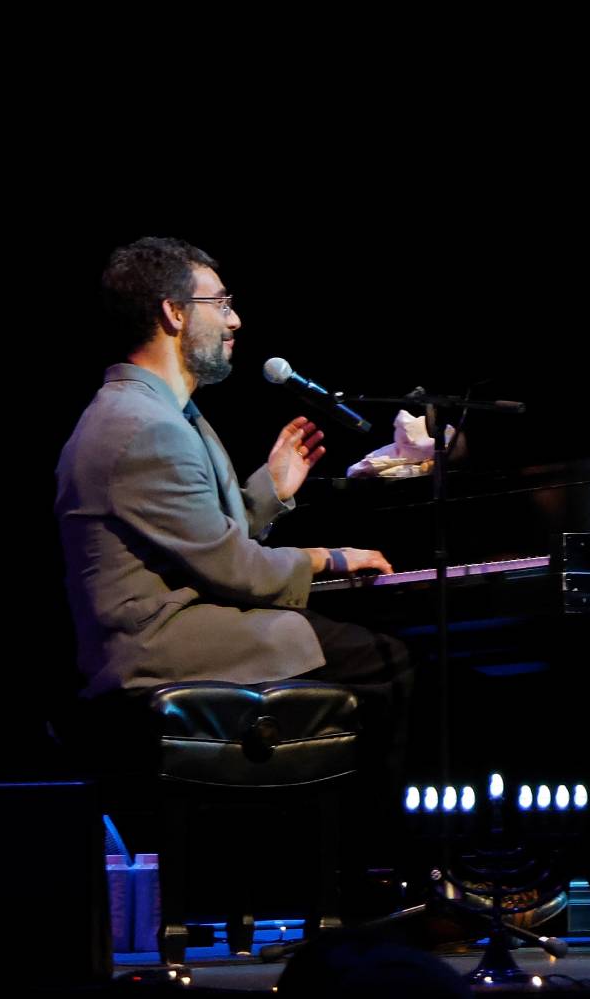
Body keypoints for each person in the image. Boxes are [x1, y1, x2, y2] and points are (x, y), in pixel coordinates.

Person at [55, 237, 410, 821]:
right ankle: (374, 871)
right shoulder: (146, 427)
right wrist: (333, 557)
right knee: (384, 660)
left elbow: (201, 540)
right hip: (157, 644)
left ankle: (348, 867)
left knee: (357, 642)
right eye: (220, 303)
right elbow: (238, 569)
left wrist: (269, 490)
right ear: (173, 312)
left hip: (185, 622)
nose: (234, 319)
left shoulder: (163, 414)